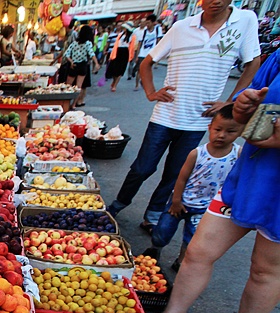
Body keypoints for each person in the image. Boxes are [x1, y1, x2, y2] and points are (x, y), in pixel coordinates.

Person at [150, 51, 280, 313]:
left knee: (265, 268)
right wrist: (244, 107)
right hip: (249, 173)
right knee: (198, 251)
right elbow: (242, 112)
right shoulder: (277, 60)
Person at [107, 0, 261, 230]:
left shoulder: (245, 20)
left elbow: (253, 62)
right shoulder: (181, 27)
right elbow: (147, 62)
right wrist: (151, 92)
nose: (215, 1)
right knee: (143, 167)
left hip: (199, 119)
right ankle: (118, 205)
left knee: (174, 173)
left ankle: (153, 214)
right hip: (165, 115)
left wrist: (231, 101)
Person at [142, 104, 243, 269]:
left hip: (206, 207)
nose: (222, 135)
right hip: (182, 201)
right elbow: (181, 178)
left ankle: (181, 260)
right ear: (210, 128)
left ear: (241, 132)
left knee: (192, 237)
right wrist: (176, 201)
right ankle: (155, 249)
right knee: (163, 230)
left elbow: (238, 179)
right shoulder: (197, 153)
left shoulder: (237, 154)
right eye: (218, 129)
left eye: (230, 131)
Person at [63, 25, 100, 107]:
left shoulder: (74, 43)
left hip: (74, 65)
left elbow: (67, 54)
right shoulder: (88, 43)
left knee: (67, 86)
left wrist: (71, 62)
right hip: (83, 66)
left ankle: (65, 103)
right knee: (78, 87)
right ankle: (74, 104)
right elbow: (91, 54)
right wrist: (96, 63)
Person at [131, 15, 162, 90]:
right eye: (146, 23)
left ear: (153, 23)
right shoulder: (144, 31)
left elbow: (159, 41)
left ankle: (144, 81)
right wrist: (137, 55)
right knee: (139, 69)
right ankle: (137, 85)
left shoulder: (158, 29)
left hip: (151, 54)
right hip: (142, 53)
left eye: (148, 23)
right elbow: (140, 43)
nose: (147, 25)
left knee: (147, 69)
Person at [105, 22, 136, 92]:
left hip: (125, 52)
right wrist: (112, 54)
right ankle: (114, 80)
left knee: (121, 70)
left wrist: (131, 56)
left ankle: (115, 85)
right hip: (118, 51)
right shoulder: (120, 35)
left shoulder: (132, 36)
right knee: (113, 69)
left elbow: (132, 47)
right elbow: (116, 45)